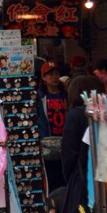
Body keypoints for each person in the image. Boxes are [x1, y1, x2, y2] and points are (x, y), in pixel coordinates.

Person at [58, 75, 105, 213]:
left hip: (81, 184)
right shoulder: (106, 114)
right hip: (104, 181)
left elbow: (68, 153)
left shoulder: (75, 116)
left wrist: (71, 179)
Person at [38, 61, 68, 191]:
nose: (54, 77)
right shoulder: (40, 98)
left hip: (66, 142)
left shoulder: (66, 95)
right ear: (44, 78)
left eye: (56, 74)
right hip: (48, 144)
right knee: (52, 179)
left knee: (65, 177)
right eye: (50, 74)